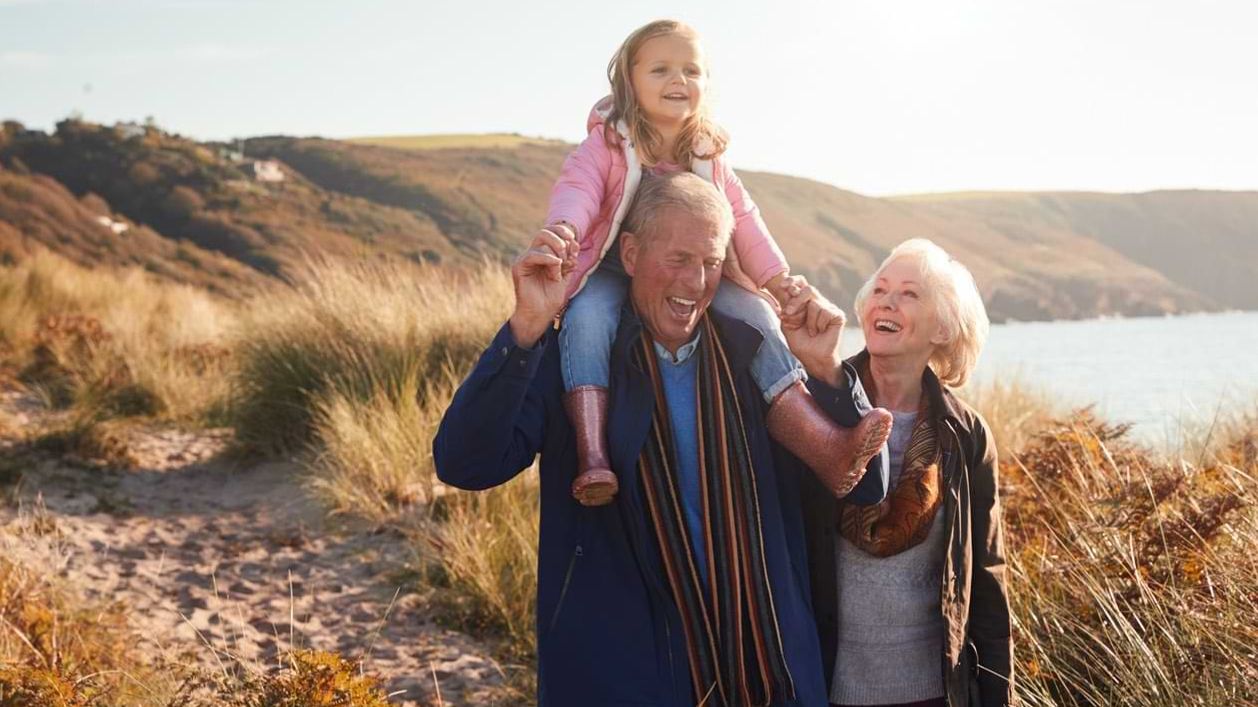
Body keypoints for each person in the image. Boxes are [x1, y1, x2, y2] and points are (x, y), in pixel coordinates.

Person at [434, 172, 891, 706]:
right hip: (625, 680)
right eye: (677, 259)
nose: (696, 282)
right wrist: (525, 330)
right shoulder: (576, 363)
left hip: (773, 675)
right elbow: (465, 464)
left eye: (712, 262)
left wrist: (828, 371)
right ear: (628, 254)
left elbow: (864, 486)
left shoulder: (760, 359)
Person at [539, 19, 885, 506]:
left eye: (691, 70)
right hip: (611, 267)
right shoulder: (609, 144)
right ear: (629, 80)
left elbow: (743, 219)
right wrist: (565, 231)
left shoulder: (709, 156)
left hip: (696, 268)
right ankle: (593, 454)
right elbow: (578, 189)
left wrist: (777, 279)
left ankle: (824, 445)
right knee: (587, 319)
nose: (678, 81)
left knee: (758, 316)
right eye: (660, 69)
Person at [793, 239, 1014, 707]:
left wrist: (997, 695)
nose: (887, 301)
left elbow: (988, 578)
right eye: (880, 289)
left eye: (910, 294)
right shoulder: (815, 408)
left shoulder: (965, 434)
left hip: (935, 693)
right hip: (823, 687)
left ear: (943, 327)